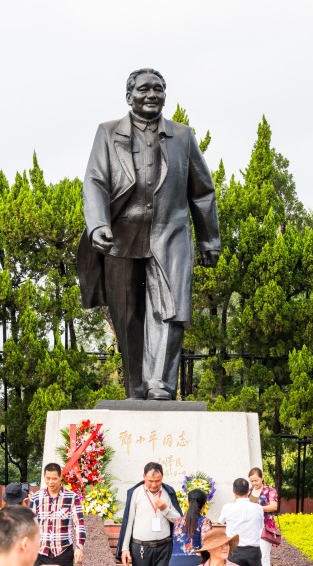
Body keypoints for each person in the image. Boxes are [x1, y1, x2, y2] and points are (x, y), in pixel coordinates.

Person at [78, 67, 221, 401]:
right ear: (129, 96)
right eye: (144, 89)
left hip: (168, 233)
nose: (152, 95)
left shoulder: (183, 136)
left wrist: (209, 239)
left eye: (159, 89)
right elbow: (95, 181)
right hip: (121, 233)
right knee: (126, 313)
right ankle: (135, 386)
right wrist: (99, 225)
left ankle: (161, 383)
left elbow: (201, 191)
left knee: (169, 308)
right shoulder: (108, 132)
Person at [117, 462, 183, 566]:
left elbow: (179, 520)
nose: (154, 485)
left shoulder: (168, 493)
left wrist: (165, 509)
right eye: (150, 481)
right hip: (140, 549)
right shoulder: (136, 493)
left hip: (164, 548)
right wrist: (125, 548)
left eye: (158, 481)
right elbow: (128, 521)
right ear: (144, 477)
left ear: (162, 478)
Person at [29, 463, 86, 566]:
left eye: (54, 478)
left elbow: (79, 524)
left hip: (63, 551)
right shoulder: (37, 498)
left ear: (61, 477)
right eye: (48, 478)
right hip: (42, 551)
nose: (51, 482)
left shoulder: (71, 497)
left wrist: (79, 547)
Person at [248, 468, 280, 566]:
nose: (254, 483)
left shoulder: (270, 490)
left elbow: (273, 506)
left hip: (265, 527)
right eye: (252, 481)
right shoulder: (248, 491)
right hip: (251, 527)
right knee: (252, 555)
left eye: (256, 480)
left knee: (264, 556)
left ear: (262, 478)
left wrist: (257, 507)